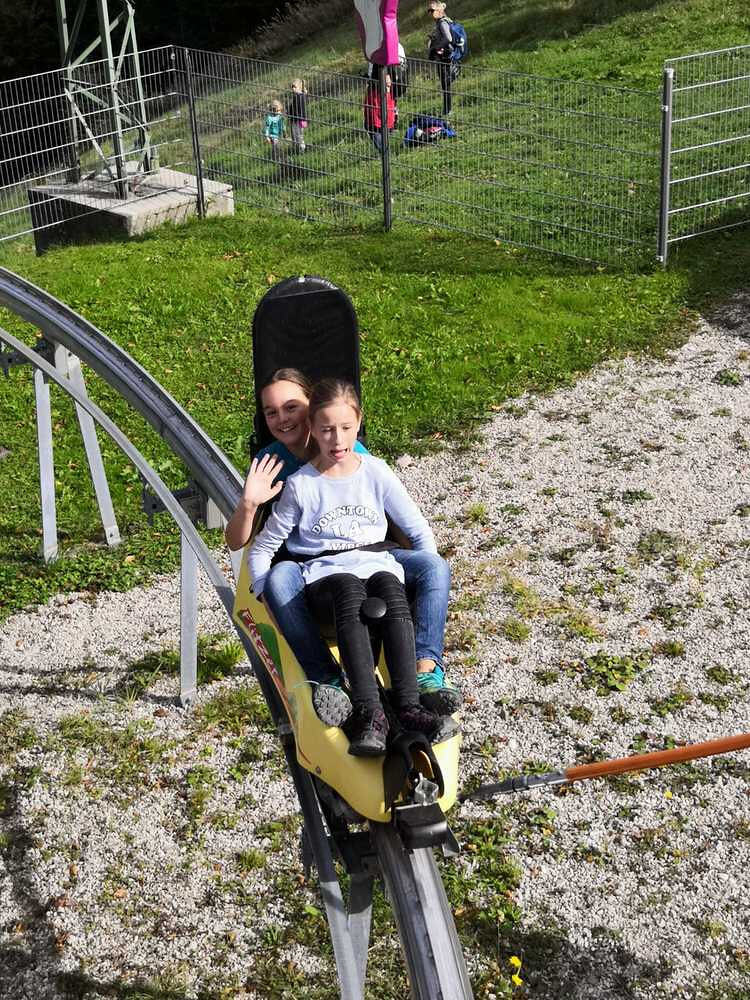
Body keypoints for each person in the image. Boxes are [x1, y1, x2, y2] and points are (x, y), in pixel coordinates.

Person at [224, 368, 460, 725]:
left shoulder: (350, 452)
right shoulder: (274, 465)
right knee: (280, 578)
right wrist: (249, 503)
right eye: (271, 412)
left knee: (433, 566)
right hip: (311, 566)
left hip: (369, 555)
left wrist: (412, 570)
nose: (283, 418)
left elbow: (399, 517)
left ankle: (426, 668)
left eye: (291, 407)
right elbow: (240, 542)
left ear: (311, 407)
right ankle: (327, 678)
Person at [427, 1, 455, 117]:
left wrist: (437, 47)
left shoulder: (442, 22)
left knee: (446, 84)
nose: (430, 13)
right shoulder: (441, 22)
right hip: (444, 56)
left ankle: (448, 111)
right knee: (445, 84)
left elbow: (448, 38)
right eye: (429, 11)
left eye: (432, 10)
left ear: (439, 10)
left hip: (445, 57)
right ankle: (447, 109)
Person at [363, 70, 396, 152]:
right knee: (383, 148)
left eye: (389, 84)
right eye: (387, 85)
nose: (388, 85)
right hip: (376, 124)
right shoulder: (373, 94)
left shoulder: (391, 94)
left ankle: (386, 154)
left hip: (385, 124)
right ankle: (385, 154)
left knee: (384, 148)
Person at [287, 79, 308, 154]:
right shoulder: (296, 97)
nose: (293, 88)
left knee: (299, 135)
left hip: (299, 120)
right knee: (294, 135)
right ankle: (296, 149)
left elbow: (302, 110)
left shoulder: (301, 97)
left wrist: (303, 120)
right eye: (292, 87)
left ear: (299, 87)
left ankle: (302, 149)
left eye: (295, 87)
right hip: (294, 120)